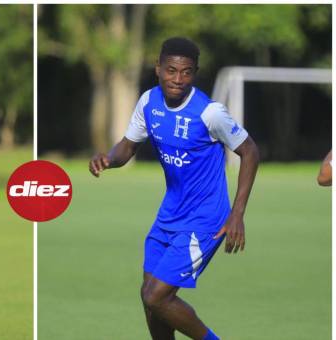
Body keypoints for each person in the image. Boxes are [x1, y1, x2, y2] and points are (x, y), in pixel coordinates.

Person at [89, 37, 259, 340]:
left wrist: (237, 213)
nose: (178, 79)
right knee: (149, 297)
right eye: (171, 70)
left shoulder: (209, 112)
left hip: (206, 218)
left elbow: (249, 151)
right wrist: (108, 158)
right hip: (169, 214)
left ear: (195, 72)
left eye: (186, 72)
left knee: (156, 295)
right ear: (158, 69)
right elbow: (128, 146)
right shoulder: (148, 102)